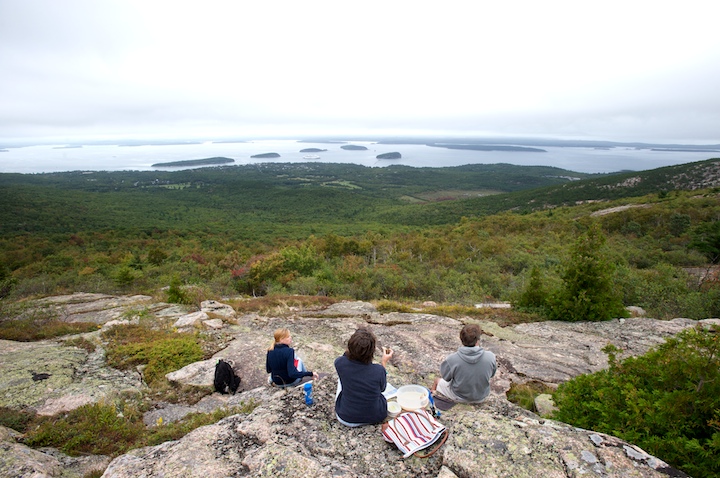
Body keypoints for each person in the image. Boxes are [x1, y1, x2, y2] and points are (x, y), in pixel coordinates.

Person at [334, 327, 394, 427]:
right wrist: (383, 362)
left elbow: (345, 356)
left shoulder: (339, 363)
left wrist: (353, 347)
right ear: (372, 352)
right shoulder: (378, 371)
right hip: (375, 416)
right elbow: (382, 389)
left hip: (345, 416)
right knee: (379, 395)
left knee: (341, 381)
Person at [431, 324, 496, 403]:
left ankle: (431, 399)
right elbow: (492, 374)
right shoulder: (490, 356)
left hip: (459, 396)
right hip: (481, 397)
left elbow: (446, 378)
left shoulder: (452, 359)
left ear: (461, 339)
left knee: (437, 381)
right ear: (478, 340)